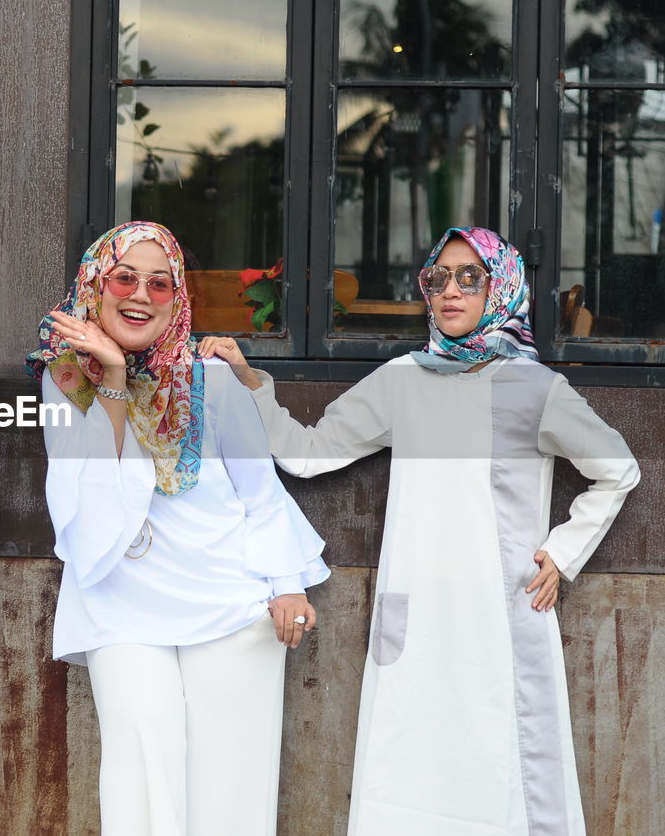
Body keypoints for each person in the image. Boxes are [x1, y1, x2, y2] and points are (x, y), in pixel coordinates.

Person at [200, 226, 640, 835]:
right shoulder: (402, 377)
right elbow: (307, 453)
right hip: (416, 618)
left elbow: (617, 471)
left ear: (502, 288)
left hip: (501, 616)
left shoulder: (535, 388)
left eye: (470, 278)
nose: (450, 291)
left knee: (507, 769)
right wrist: (249, 381)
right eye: (437, 278)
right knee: (405, 770)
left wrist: (563, 553)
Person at [26, 221, 329, 836]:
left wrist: (287, 583)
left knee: (232, 781)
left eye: (160, 284)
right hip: (120, 601)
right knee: (140, 770)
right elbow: (91, 492)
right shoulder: (62, 380)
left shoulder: (211, 381)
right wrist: (111, 374)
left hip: (229, 600)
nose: (140, 294)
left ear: (178, 299)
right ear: (95, 284)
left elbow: (259, 491)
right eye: (125, 277)